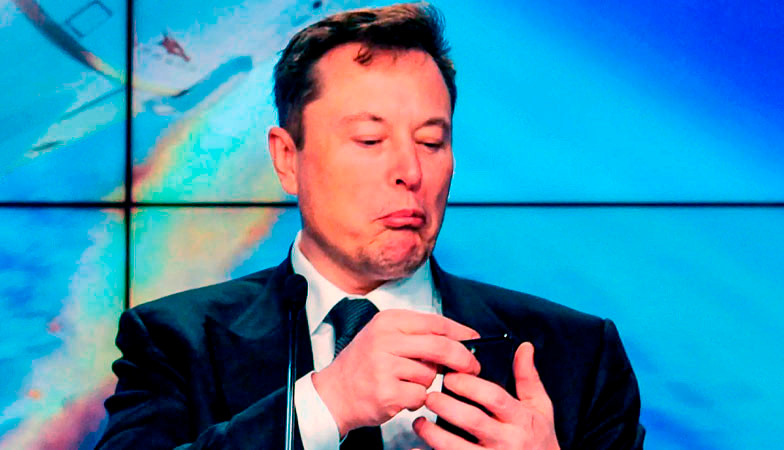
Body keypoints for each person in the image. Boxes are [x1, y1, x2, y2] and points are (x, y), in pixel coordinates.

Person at [96, 3, 644, 449]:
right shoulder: (174, 341)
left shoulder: (579, 355)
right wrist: (325, 404)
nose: (410, 171)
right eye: (369, 140)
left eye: (431, 141)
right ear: (287, 158)